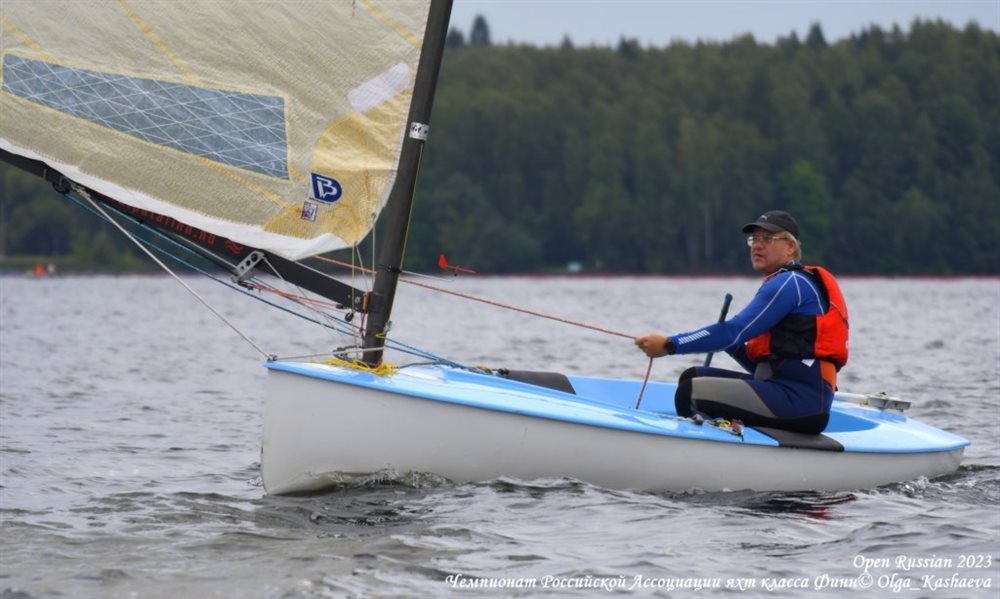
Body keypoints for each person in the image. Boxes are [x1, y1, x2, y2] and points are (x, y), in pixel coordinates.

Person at [634, 210, 849, 435]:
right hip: (783, 391)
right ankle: (718, 439)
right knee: (693, 376)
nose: (757, 245)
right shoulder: (784, 282)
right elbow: (763, 366)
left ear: (790, 247)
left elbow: (733, 331)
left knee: (691, 392)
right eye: (754, 239)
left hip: (801, 403)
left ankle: (703, 449)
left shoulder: (791, 283)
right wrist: (730, 343)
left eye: (767, 239)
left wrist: (669, 345)